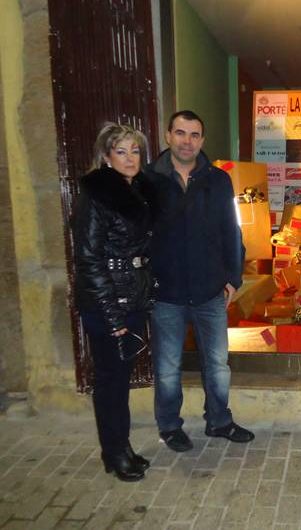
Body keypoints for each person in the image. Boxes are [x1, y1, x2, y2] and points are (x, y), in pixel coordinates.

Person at [147, 110, 252, 452]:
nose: (187, 141)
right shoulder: (148, 181)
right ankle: (169, 426)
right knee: (167, 368)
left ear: (202, 141)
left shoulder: (218, 180)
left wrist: (233, 277)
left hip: (210, 291)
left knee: (218, 364)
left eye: (194, 135)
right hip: (167, 294)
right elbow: (136, 235)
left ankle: (219, 421)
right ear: (168, 136)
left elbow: (231, 231)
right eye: (180, 133)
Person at [73, 122, 155, 481]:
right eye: (121, 151)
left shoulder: (134, 191)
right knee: (110, 382)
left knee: (120, 379)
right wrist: (111, 315)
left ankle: (122, 447)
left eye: (135, 151)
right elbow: (89, 259)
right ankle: (114, 453)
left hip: (130, 299)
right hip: (108, 304)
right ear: (106, 156)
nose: (129, 158)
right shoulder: (96, 196)